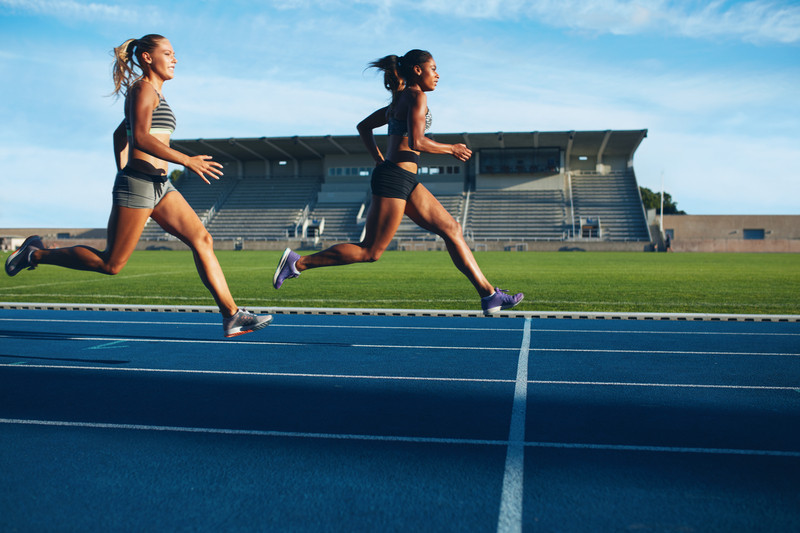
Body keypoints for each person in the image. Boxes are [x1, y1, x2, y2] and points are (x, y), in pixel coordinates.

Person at [5, 34, 271, 337]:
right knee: (111, 263)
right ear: (147, 57)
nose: (175, 59)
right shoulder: (143, 89)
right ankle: (36, 254)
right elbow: (140, 137)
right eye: (168, 53)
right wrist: (182, 162)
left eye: (174, 54)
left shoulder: (155, 94)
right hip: (139, 185)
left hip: (160, 186)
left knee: (202, 239)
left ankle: (232, 315)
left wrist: (126, 168)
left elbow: (121, 135)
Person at [273, 49, 523, 315]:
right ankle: (297, 263)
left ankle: (488, 295)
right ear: (417, 70)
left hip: (404, 178)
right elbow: (416, 141)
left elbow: (364, 127)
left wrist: (379, 158)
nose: (438, 75)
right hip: (394, 179)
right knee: (370, 251)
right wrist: (451, 149)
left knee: (452, 228)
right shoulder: (416, 96)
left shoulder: (399, 99)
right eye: (433, 68)